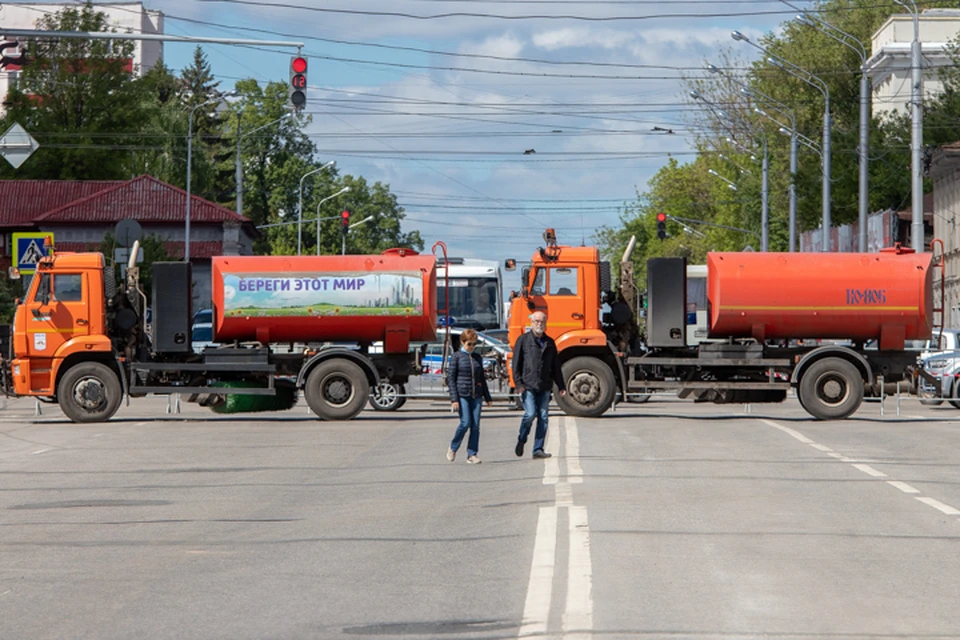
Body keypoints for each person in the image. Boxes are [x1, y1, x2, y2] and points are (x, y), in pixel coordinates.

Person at [512, 310, 566, 459]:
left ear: (546, 323)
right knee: (530, 414)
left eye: (542, 322)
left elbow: (555, 366)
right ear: (531, 323)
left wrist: (561, 386)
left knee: (543, 417)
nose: (539, 324)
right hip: (528, 385)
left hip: (544, 385)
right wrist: (518, 383)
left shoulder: (550, 343)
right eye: (536, 321)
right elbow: (516, 363)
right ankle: (522, 439)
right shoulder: (523, 340)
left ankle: (538, 449)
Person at [446, 328, 493, 464]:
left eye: (474, 344)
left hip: (476, 395)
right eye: (469, 344)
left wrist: (488, 397)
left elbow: (482, 379)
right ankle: (453, 447)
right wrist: (454, 399)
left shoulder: (477, 358)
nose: (472, 347)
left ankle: (472, 454)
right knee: (465, 422)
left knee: (476, 425)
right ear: (462, 343)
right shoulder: (457, 357)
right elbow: (451, 379)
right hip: (462, 395)